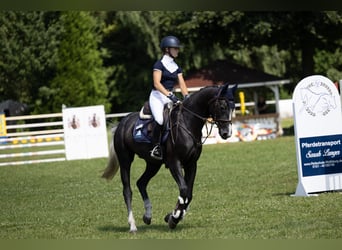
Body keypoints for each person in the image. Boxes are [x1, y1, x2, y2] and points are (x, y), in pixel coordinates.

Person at [149, 35, 189, 160]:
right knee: (160, 120)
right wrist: (170, 95)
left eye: (177, 48)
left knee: (179, 117)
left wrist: (187, 96)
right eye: (175, 48)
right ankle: (156, 148)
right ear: (167, 49)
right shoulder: (159, 65)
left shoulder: (176, 67)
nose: (178, 50)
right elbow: (157, 83)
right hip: (157, 96)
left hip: (169, 96)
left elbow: (182, 83)